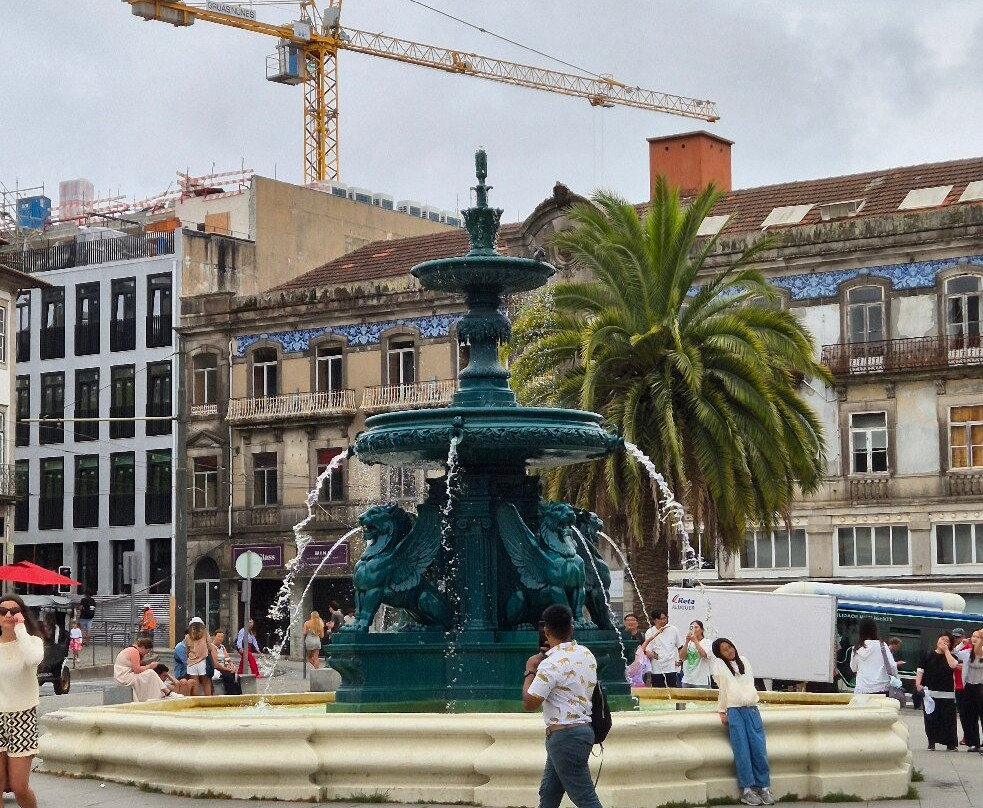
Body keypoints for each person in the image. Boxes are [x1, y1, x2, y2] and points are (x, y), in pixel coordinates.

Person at [522, 603, 602, 808]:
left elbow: (530, 702)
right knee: (548, 792)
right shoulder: (586, 654)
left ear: (546, 631)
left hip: (566, 736)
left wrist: (530, 670)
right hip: (581, 731)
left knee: (585, 798)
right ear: (571, 628)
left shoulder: (550, 663)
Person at [712, 637, 774, 806]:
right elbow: (723, 689)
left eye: (730, 647)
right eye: (724, 650)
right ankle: (747, 790)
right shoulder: (719, 665)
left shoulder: (744, 661)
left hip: (751, 708)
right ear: (719, 654)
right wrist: (722, 710)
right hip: (735, 710)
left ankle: (764, 787)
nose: (729, 651)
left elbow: (748, 683)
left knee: (758, 748)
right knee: (742, 750)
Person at [0, 593, 45, 808]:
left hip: (22, 717)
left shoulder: (32, 642)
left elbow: (33, 659)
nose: (8, 614)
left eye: (14, 611)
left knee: (19, 786)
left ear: (23, 615)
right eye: (3, 611)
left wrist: (20, 629)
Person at [915, 631, 960, 751]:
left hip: (947, 694)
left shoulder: (952, 656)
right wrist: (918, 684)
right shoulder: (927, 655)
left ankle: (950, 743)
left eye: (947, 641)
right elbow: (920, 670)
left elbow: (953, 665)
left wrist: (946, 651)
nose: (943, 642)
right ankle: (931, 741)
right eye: (942, 639)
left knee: (948, 719)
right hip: (930, 692)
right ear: (937, 640)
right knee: (931, 718)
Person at [849, 617, 897, 696]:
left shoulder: (856, 648)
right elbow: (892, 665)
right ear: (875, 630)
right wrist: (895, 678)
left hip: (862, 690)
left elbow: (853, 668)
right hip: (882, 689)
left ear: (860, 631)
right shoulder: (882, 646)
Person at [954, 629, 983, 753]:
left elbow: (978, 652)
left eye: (978, 637)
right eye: (973, 636)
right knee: (969, 716)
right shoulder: (966, 652)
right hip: (969, 686)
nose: (975, 638)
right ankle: (973, 743)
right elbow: (954, 652)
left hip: (981, 686)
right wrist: (963, 643)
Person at [113, 637, 168, 702]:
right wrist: (150, 666)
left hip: (124, 675)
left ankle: (165, 691)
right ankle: (165, 691)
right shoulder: (134, 651)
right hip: (124, 677)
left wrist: (148, 666)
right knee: (150, 672)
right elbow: (137, 670)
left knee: (149, 673)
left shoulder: (131, 650)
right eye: (147, 651)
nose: (146, 654)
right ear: (143, 647)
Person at [641, 610, 683, 688]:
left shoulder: (673, 629)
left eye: (665, 618)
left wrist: (680, 660)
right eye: (660, 619)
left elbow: (680, 647)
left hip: (671, 668)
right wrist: (654, 656)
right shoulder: (650, 632)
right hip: (657, 669)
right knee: (658, 691)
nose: (663, 621)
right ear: (654, 620)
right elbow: (647, 650)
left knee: (672, 690)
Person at [679, 620, 713, 688]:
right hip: (687, 679)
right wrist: (686, 642)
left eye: (696, 627)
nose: (694, 630)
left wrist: (695, 641)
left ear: (702, 630)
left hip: (701, 680)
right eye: (692, 628)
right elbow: (682, 656)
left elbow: (704, 654)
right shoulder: (689, 643)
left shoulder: (707, 642)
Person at [185, 617, 213, 696]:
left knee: (195, 684)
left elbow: (186, 651)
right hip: (203, 662)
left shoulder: (187, 636)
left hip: (191, 663)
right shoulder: (205, 634)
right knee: (206, 683)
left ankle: (197, 703)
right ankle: (208, 701)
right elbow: (210, 648)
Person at [211, 630, 242, 695]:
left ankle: (236, 693)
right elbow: (215, 663)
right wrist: (225, 668)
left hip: (224, 666)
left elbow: (227, 658)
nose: (220, 638)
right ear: (214, 637)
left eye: (222, 637)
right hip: (216, 668)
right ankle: (231, 694)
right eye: (218, 636)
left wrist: (231, 664)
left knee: (234, 675)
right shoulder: (212, 647)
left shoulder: (222, 647)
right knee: (229, 677)